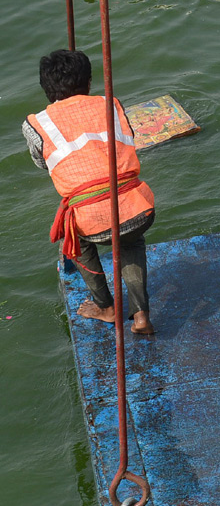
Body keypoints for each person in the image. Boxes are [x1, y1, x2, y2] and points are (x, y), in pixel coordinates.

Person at [23, 50, 156, 334]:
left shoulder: (36, 123)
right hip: (139, 209)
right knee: (131, 241)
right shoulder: (112, 104)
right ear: (89, 81)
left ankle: (106, 307)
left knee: (75, 241)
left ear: (46, 88)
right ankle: (141, 314)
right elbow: (128, 137)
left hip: (93, 221)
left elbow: (41, 162)